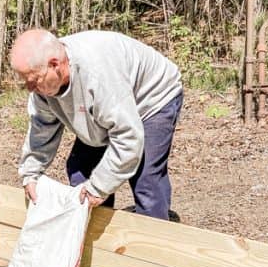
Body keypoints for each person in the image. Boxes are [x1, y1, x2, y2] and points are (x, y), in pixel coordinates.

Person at [10, 28, 183, 220]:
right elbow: (41, 129)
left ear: (55, 65)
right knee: (81, 170)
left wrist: (99, 187)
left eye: (33, 80)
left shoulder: (98, 74)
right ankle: (96, 239)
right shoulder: (43, 86)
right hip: (106, 108)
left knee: (146, 180)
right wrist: (30, 173)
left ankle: (156, 240)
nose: (30, 89)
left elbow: (127, 137)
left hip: (152, 99)